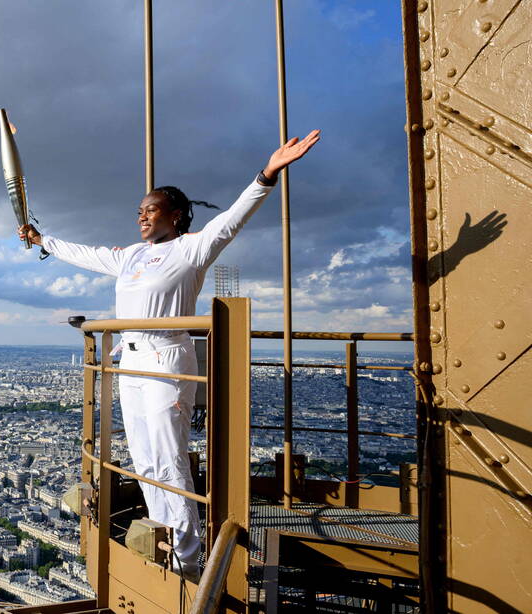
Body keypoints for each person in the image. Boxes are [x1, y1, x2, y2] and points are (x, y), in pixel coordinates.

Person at [18, 130, 320, 575]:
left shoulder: (191, 248)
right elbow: (89, 254)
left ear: (175, 215)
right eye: (139, 210)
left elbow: (233, 219)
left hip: (166, 359)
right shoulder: (132, 256)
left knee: (169, 457)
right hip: (131, 361)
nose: (141, 216)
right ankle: (163, 534)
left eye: (151, 209)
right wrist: (44, 241)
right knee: (144, 456)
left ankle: (187, 557)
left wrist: (267, 173)